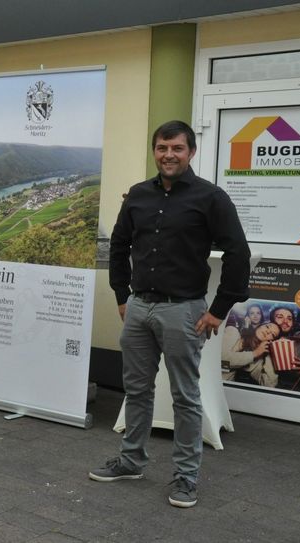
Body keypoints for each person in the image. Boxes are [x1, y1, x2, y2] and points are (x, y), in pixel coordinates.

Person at [90, 120, 250, 508]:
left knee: (184, 396)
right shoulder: (138, 196)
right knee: (138, 390)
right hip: (139, 307)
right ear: (155, 151)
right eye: (162, 148)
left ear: (191, 152)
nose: (169, 155)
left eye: (177, 148)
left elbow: (238, 254)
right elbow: (119, 245)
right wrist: (121, 295)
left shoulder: (211, 198)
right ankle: (131, 461)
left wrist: (218, 311)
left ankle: (185, 478)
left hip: (185, 311)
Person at [221, 322, 280, 386]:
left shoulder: (257, 361)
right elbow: (220, 360)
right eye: (267, 327)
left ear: (271, 341)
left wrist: (271, 353)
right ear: (259, 326)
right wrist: (254, 354)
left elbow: (269, 384)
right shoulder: (232, 331)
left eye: (273, 334)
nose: (268, 331)